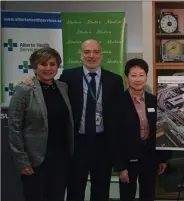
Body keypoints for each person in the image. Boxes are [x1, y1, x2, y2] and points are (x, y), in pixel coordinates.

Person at [23, 39, 124, 201]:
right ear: (81, 55)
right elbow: (47, 85)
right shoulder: (68, 76)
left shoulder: (115, 80)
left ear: (101, 55)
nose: (92, 56)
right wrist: (29, 80)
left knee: (101, 191)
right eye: (87, 52)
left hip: (103, 145)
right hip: (76, 144)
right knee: (74, 190)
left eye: (96, 52)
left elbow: (118, 118)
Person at [8, 47, 74, 201]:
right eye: (43, 64)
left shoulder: (63, 88)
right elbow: (14, 128)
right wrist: (22, 161)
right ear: (35, 66)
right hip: (35, 161)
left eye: (52, 64)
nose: (48, 68)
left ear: (58, 67)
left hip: (61, 159)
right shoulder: (24, 90)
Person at [114, 58, 170, 201]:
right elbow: (114, 137)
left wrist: (162, 158)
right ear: (126, 78)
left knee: (148, 195)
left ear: (146, 76)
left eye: (141, 74)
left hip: (149, 156)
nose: (138, 79)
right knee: (127, 196)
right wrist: (120, 166)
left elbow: (161, 130)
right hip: (128, 158)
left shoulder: (154, 100)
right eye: (133, 75)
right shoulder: (118, 102)